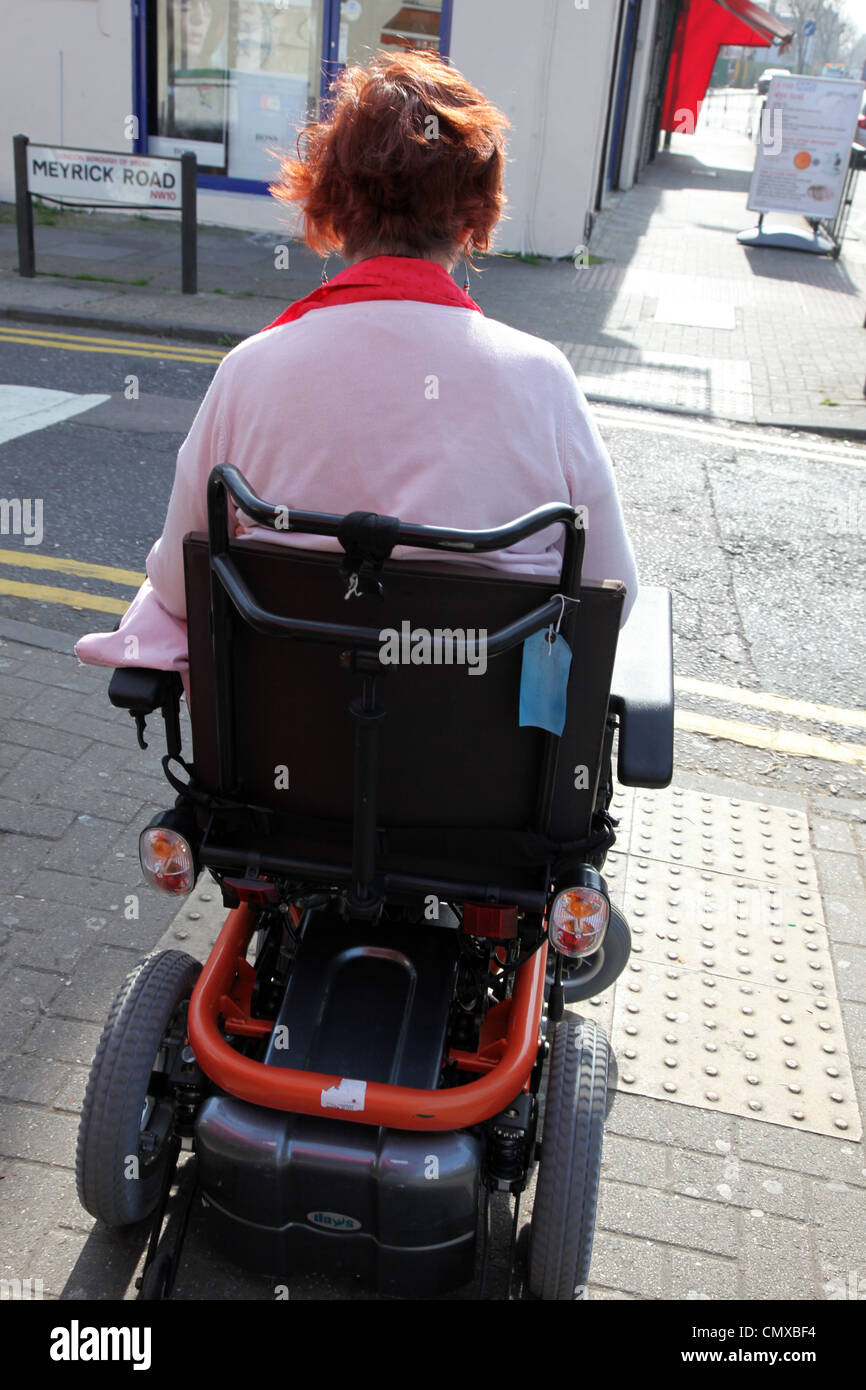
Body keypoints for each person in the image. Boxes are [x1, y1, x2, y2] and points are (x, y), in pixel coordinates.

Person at [76, 49, 638, 678]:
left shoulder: (250, 371)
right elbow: (611, 596)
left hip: (279, 759)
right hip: (475, 768)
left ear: (333, 206)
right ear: (474, 214)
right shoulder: (544, 380)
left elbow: (180, 587)